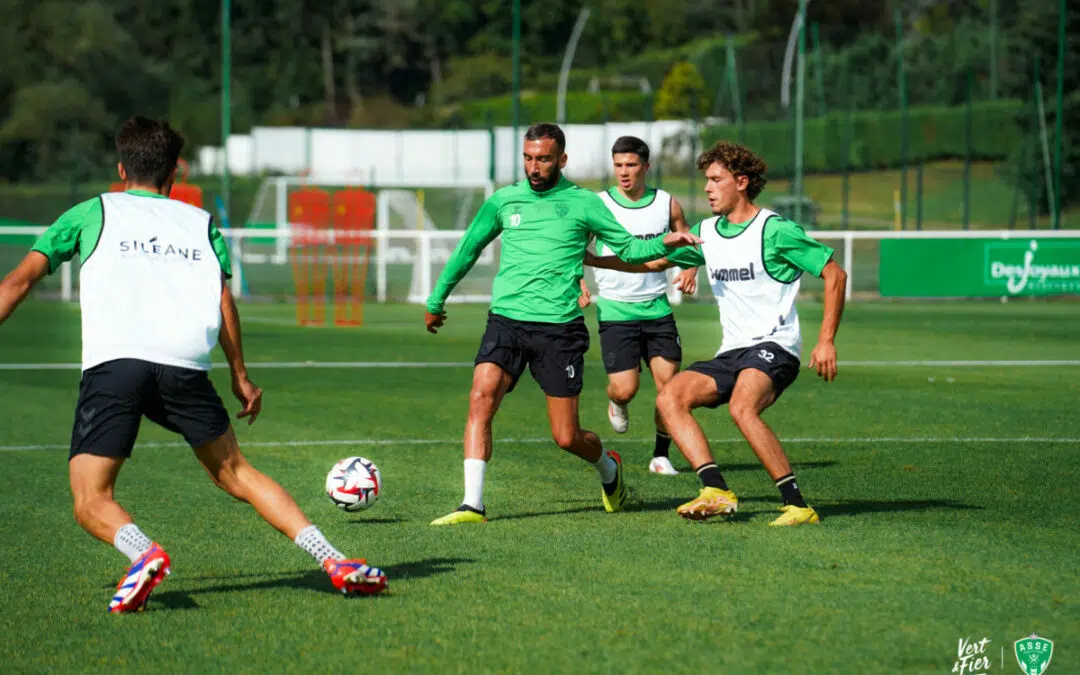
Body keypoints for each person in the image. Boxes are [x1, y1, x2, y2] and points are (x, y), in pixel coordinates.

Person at [0, 116, 387, 612]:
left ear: (122, 169)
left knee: (91, 497)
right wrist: (241, 376)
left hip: (117, 364)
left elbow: (19, 281)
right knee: (236, 472)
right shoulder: (200, 224)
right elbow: (223, 302)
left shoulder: (90, 212)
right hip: (185, 367)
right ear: (173, 176)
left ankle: (143, 553)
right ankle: (333, 559)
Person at [424, 122, 702, 525]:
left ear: (562, 160)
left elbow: (628, 247)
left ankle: (608, 468)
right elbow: (468, 248)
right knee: (481, 397)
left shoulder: (585, 204)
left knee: (566, 437)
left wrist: (666, 243)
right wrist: (437, 299)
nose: (534, 167)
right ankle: (472, 504)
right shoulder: (505, 201)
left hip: (559, 330)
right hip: (506, 320)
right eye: (528, 158)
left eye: (543, 159)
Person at [586, 140, 847, 526]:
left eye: (715, 179)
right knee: (670, 398)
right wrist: (594, 260)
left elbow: (834, 273)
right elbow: (655, 263)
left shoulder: (773, 230)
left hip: (775, 346)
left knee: (743, 407)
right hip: (733, 351)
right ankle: (716, 490)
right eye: (705, 180)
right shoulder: (708, 231)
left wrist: (826, 340)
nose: (707, 188)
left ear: (741, 182)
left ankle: (797, 505)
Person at [577, 135, 697, 476]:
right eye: (618, 166)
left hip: (657, 309)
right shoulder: (599, 205)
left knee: (670, 388)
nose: (624, 172)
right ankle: (616, 401)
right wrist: (579, 281)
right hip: (616, 312)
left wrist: (689, 268)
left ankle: (661, 456)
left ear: (646, 166)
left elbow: (687, 236)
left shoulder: (666, 203)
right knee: (626, 388)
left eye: (630, 165)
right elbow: (576, 247)